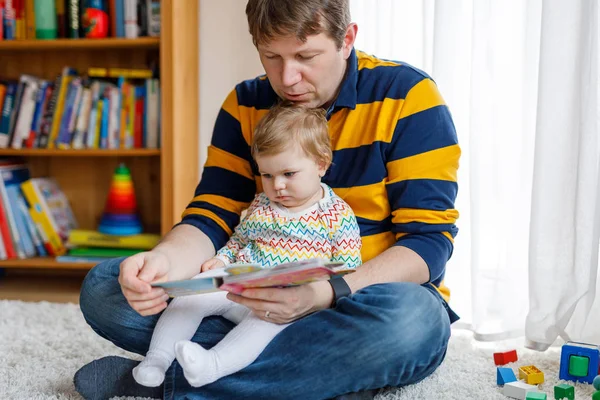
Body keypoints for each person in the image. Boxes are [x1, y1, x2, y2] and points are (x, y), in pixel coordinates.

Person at [74, 0, 461, 399]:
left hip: (356, 299)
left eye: (305, 56)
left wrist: (322, 294)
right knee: (107, 289)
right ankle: (320, 377)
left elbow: (428, 243)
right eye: (271, 56)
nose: (288, 78)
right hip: (251, 298)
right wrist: (163, 262)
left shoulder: (408, 96)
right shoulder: (245, 103)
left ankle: (171, 385)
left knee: (413, 322)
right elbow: (212, 215)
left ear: (347, 40)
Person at [132, 103, 362, 389]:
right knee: (190, 295)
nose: (276, 185)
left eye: (288, 174)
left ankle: (210, 366)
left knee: (263, 326)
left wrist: (316, 288)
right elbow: (240, 238)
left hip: (284, 302)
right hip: (240, 279)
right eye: (266, 175)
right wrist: (222, 259)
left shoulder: (336, 214)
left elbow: (348, 267)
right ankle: (157, 361)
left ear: (321, 164)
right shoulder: (263, 204)